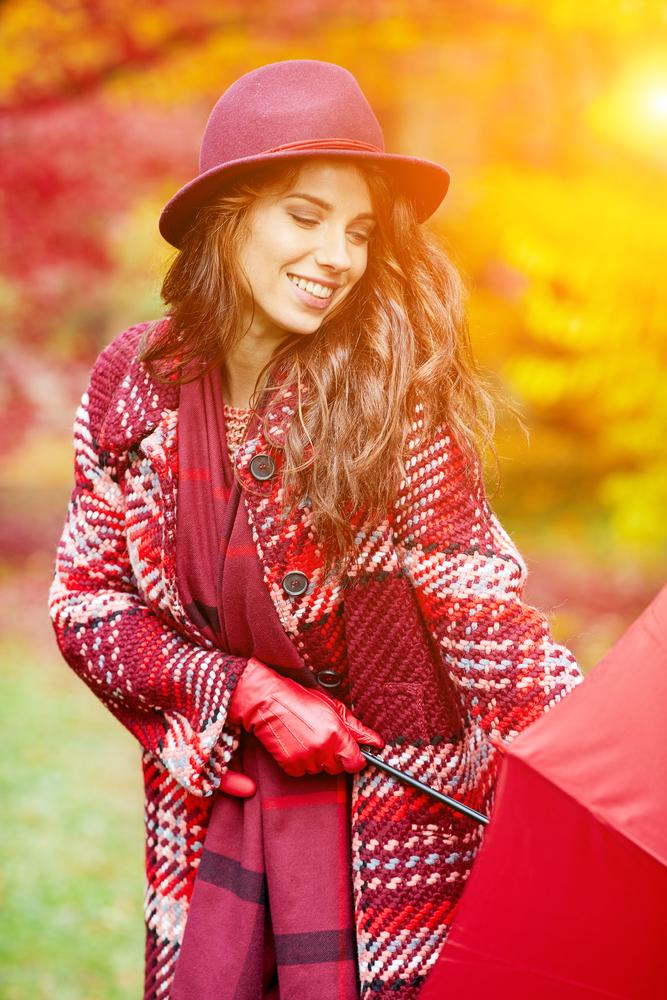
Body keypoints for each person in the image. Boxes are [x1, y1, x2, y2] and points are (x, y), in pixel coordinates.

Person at [48, 60, 584, 1000]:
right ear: (231, 216)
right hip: (214, 815)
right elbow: (86, 605)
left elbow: (479, 612)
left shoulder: (390, 399)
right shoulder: (136, 380)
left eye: (361, 231)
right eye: (305, 216)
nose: (337, 254)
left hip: (391, 832)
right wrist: (241, 691)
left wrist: (612, 767)